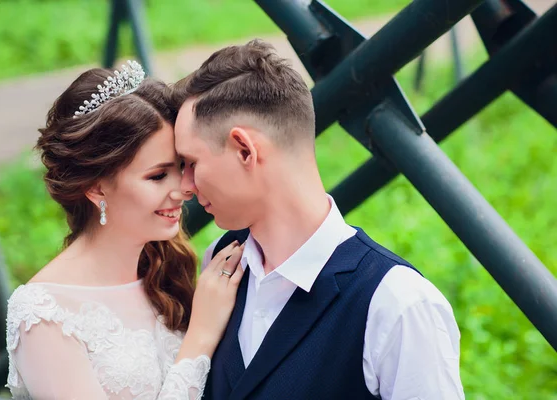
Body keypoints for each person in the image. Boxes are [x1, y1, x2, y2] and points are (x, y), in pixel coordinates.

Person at [172, 40, 466, 399]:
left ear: (245, 150)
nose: (185, 186)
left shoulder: (399, 305)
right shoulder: (222, 262)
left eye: (191, 163)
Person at [5, 61, 245, 399]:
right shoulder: (44, 314)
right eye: (158, 176)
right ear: (97, 188)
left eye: (181, 167)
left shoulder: (164, 269)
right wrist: (201, 337)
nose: (184, 188)